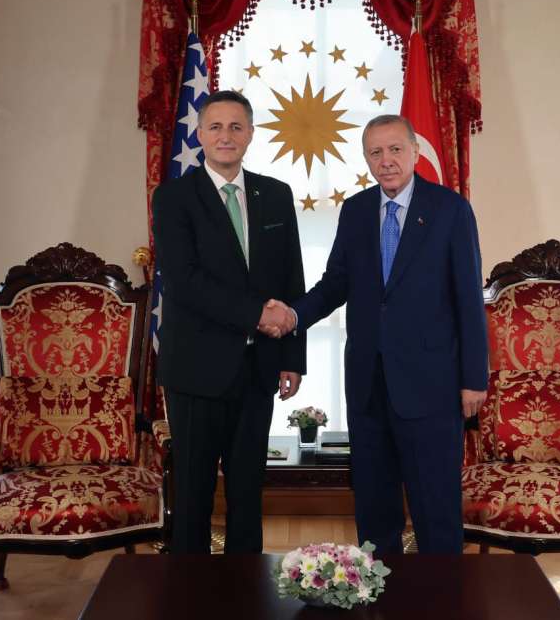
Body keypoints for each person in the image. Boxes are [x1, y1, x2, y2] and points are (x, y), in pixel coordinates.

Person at [265, 115, 488, 555]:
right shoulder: (356, 211)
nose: (386, 161)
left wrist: (474, 378)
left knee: (435, 508)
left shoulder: (450, 210)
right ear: (366, 159)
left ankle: (443, 591)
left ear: (415, 152)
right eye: (375, 152)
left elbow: (468, 298)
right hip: (368, 383)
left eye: (395, 150)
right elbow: (335, 284)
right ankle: (380, 588)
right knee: (374, 507)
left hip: (432, 385)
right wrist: (293, 315)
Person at [151, 90, 305, 554]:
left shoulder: (275, 195)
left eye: (236, 127)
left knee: (247, 492)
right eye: (215, 127)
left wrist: (292, 357)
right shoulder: (174, 197)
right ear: (199, 135)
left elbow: (291, 278)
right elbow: (184, 281)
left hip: (258, 369)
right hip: (196, 371)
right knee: (194, 494)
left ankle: (247, 587)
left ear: (251, 134)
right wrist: (257, 314)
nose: (226, 136)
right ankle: (190, 588)